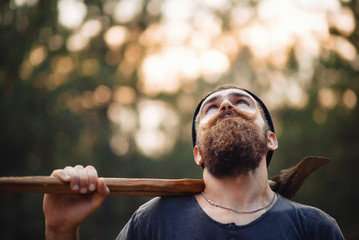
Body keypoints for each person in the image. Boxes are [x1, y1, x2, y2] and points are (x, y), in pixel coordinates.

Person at [43, 85, 344, 239]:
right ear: (198, 153)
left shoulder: (315, 228)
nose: (225, 105)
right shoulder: (151, 223)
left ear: (271, 140)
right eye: (210, 109)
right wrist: (60, 230)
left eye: (242, 102)